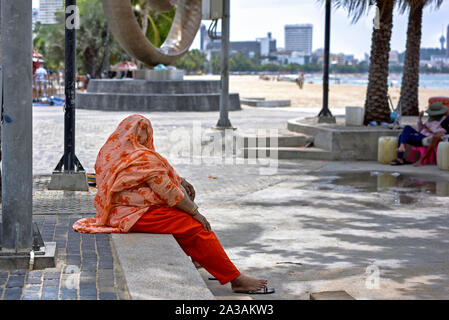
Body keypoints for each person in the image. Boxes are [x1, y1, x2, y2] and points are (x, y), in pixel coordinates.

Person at [73, 115, 274, 295]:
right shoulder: (144, 158)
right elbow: (169, 192)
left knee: (183, 221)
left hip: (118, 212)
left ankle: (210, 263)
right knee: (196, 227)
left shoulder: (112, 152)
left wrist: (181, 180)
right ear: (145, 134)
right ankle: (236, 280)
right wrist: (195, 212)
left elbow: (157, 177)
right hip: (136, 214)